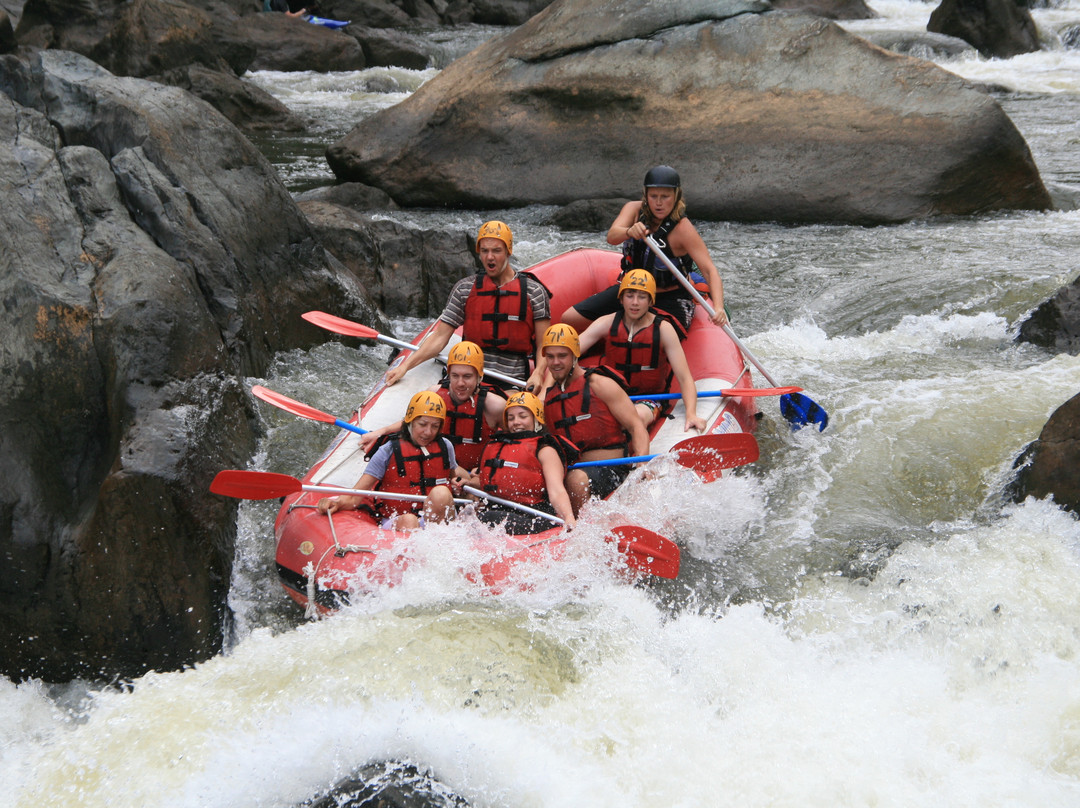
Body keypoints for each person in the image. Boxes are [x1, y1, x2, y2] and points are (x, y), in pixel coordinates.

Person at [383, 221, 552, 393]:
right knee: (431, 399)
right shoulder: (464, 289)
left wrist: (538, 373)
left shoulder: (534, 292)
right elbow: (439, 337)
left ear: (509, 251)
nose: (490, 257)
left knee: (503, 407)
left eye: (496, 251)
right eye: (484, 251)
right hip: (466, 375)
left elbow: (544, 345)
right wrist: (405, 367)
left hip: (510, 380)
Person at [562, 165, 727, 334]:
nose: (659, 203)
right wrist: (628, 231)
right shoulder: (634, 210)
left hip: (668, 298)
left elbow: (710, 270)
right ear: (646, 195)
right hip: (632, 291)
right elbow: (612, 237)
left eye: (665, 197)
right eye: (653, 196)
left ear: (676, 196)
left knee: (644, 337)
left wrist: (719, 307)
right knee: (570, 318)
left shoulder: (683, 229)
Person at [316, 391, 472, 531]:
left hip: (433, 520)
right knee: (410, 521)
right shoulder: (388, 450)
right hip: (398, 520)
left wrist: (464, 483)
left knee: (441, 493)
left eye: (435, 426)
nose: (428, 432)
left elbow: (453, 476)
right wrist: (336, 503)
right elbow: (355, 496)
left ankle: (441, 544)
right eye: (422, 424)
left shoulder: (445, 446)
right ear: (410, 422)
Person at [538, 323, 650, 515]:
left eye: (562, 356)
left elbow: (636, 426)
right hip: (572, 473)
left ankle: (576, 526)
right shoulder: (549, 400)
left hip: (612, 470)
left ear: (575, 355)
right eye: (550, 356)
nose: (555, 362)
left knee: (576, 479)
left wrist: (642, 465)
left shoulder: (600, 384)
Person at [577, 269, 706, 434]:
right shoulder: (606, 323)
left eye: (642, 297)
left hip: (649, 399)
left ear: (651, 301)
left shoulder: (664, 329)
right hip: (612, 394)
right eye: (629, 296)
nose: (635, 303)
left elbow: (685, 378)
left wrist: (691, 414)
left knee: (634, 417)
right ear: (621, 299)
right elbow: (569, 353)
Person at [359, 341, 505, 473]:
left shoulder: (495, 406)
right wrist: (381, 432)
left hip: (473, 476)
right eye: (455, 376)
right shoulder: (435, 394)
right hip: (437, 468)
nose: (460, 383)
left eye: (467, 376)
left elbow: (513, 444)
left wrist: (486, 471)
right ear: (448, 374)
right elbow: (413, 422)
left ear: (479, 376)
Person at [473, 392, 578, 532]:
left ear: (536, 419)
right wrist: (466, 483)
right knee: (474, 516)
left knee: (488, 518)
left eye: (523, 416)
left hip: (533, 516)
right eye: (511, 418)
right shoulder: (497, 445)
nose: (516, 422)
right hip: (498, 510)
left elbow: (557, 491)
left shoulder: (545, 450)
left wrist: (569, 517)